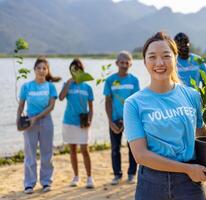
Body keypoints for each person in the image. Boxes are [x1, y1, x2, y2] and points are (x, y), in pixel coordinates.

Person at [123, 32, 206, 200]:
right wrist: (187, 169)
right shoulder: (133, 103)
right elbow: (140, 155)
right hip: (152, 184)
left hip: (189, 184)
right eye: (152, 57)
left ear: (175, 58)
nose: (159, 63)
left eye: (166, 56)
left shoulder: (192, 96)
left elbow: (201, 136)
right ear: (145, 62)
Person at [16, 57, 61, 194]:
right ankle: (29, 184)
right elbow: (21, 106)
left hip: (46, 121)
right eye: (39, 68)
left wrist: (37, 117)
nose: (41, 71)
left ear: (47, 71)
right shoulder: (26, 86)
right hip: (29, 122)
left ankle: (46, 182)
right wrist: (19, 121)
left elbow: (51, 106)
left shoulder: (50, 86)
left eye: (44, 68)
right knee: (30, 154)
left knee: (47, 153)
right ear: (34, 70)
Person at [103, 51, 140, 185]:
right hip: (114, 120)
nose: (124, 65)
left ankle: (131, 174)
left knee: (133, 148)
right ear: (117, 63)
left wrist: (127, 120)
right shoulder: (110, 80)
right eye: (122, 62)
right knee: (115, 149)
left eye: (127, 62)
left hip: (131, 120)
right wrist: (110, 121)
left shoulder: (134, 80)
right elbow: (108, 101)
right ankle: (117, 175)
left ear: (130, 64)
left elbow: (136, 102)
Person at [59, 58, 95, 188]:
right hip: (69, 121)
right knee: (72, 150)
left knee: (85, 150)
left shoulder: (87, 87)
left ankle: (90, 178)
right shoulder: (68, 84)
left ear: (82, 70)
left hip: (83, 122)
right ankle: (76, 176)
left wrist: (90, 120)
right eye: (73, 70)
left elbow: (91, 107)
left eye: (77, 69)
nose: (75, 72)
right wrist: (69, 82)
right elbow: (61, 97)